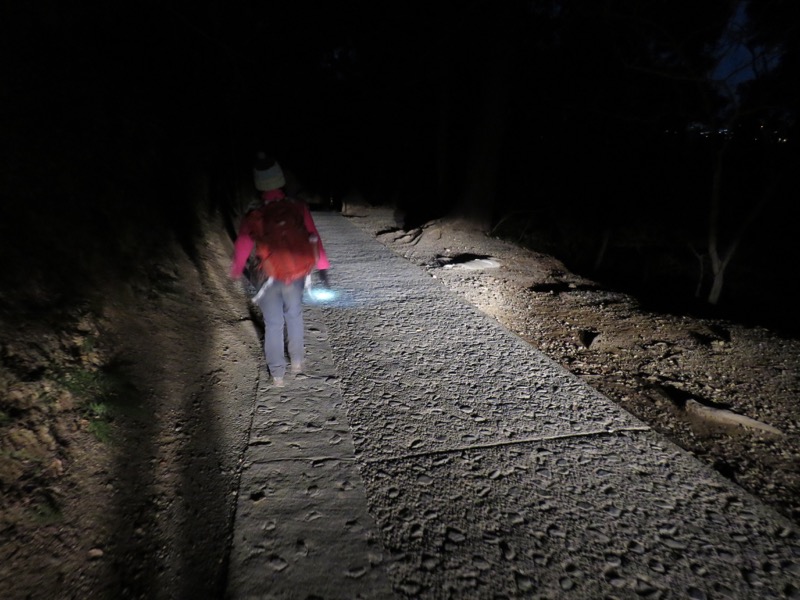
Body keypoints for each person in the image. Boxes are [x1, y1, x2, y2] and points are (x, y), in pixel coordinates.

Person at [229, 158, 330, 386]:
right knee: (294, 315)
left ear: (259, 185)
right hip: (295, 274)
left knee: (273, 324)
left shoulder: (255, 215)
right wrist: (323, 269)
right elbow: (314, 237)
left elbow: (243, 245)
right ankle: (297, 363)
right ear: (281, 180)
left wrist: (236, 271)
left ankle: (277, 375)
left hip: (268, 277)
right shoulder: (297, 207)